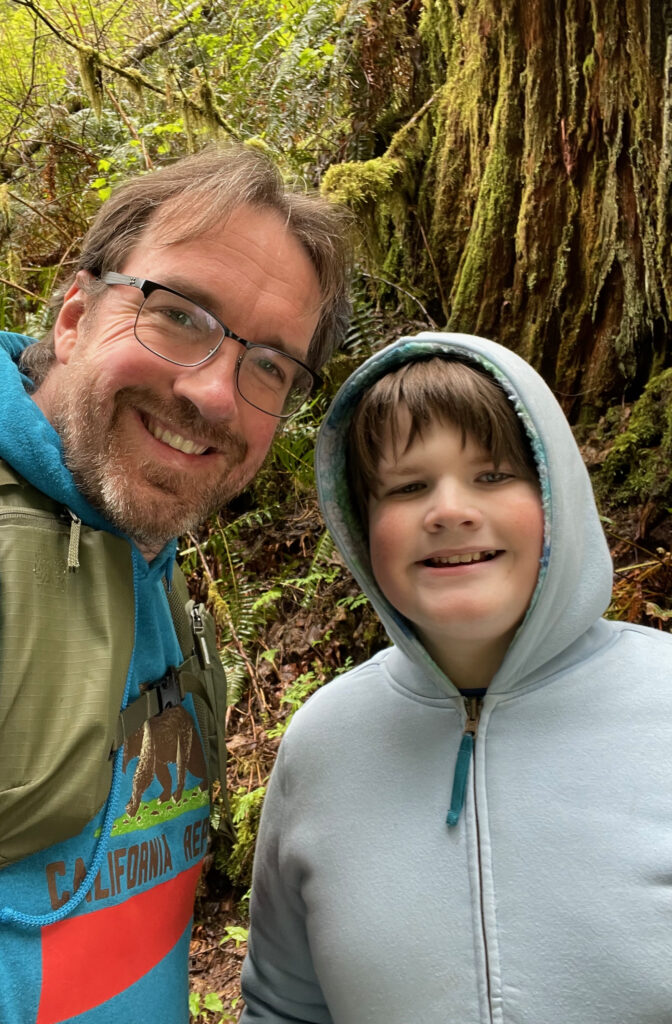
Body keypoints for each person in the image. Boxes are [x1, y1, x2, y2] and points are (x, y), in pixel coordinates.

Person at [0, 145, 351, 1024]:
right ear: (74, 315)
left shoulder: (141, 541)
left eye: (268, 365)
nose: (215, 394)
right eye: (180, 315)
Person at [240, 331, 672, 1023]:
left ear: (557, 490)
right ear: (360, 522)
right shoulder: (324, 741)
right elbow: (284, 1006)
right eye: (408, 486)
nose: (449, 510)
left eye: (493, 475)